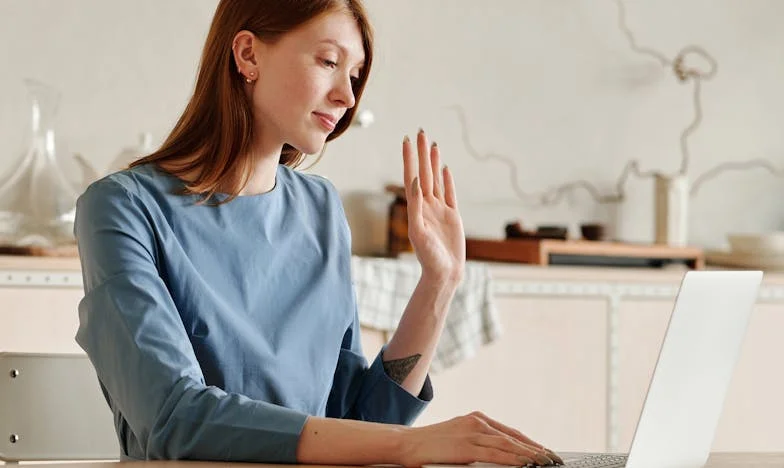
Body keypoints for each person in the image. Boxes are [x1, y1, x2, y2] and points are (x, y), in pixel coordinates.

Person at [74, 0, 564, 466]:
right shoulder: (122, 207)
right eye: (329, 62)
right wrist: (412, 444)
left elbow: (360, 424)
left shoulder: (320, 208)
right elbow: (173, 417)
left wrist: (439, 282)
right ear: (248, 54)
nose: (347, 96)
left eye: (354, 75)